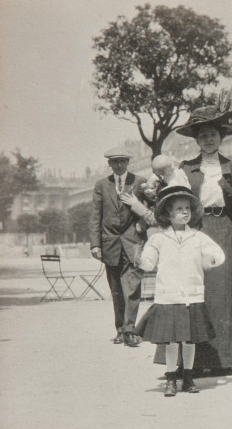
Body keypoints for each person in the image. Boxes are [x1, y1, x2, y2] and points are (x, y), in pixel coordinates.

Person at [152, 94, 232, 373]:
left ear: (221, 137)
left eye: (213, 135)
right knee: (197, 294)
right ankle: (196, 361)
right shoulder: (186, 169)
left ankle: (229, 359)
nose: (208, 139)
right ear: (197, 139)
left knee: (225, 295)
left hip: (225, 232)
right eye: (203, 135)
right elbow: (174, 200)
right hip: (197, 230)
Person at [136, 185, 224, 396]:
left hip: (192, 296)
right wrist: (140, 260)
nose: (185, 212)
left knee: (189, 340)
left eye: (187, 208)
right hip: (169, 296)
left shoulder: (198, 237)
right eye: (179, 209)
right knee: (172, 341)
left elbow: (217, 253)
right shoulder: (158, 239)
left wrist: (210, 258)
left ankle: (188, 377)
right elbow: (149, 262)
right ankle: (170, 378)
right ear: (168, 213)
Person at [88, 147, 146, 347]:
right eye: (115, 162)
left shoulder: (140, 182)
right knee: (116, 290)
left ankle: (130, 330)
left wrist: (143, 222)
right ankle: (120, 329)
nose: (119, 165)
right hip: (110, 243)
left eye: (123, 161)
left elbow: (152, 208)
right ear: (109, 164)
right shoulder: (101, 185)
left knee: (132, 287)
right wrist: (95, 244)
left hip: (133, 243)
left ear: (128, 162)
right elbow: (95, 216)